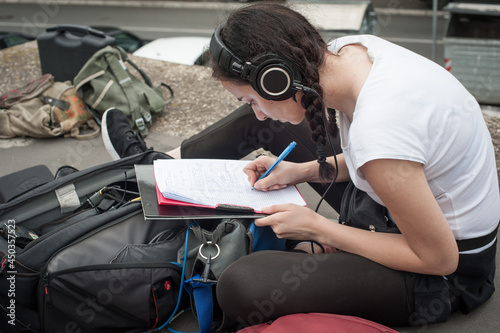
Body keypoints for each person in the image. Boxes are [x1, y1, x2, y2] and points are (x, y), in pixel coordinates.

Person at [102, 3, 499, 328]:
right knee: (274, 124)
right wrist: (305, 170)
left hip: (444, 272)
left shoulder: (380, 131)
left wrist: (320, 228)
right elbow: (395, 164)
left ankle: (312, 246)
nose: (255, 113)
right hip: (401, 205)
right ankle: (158, 166)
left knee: (243, 285)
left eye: (252, 99)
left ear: (277, 78)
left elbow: (438, 258)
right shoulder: (353, 53)